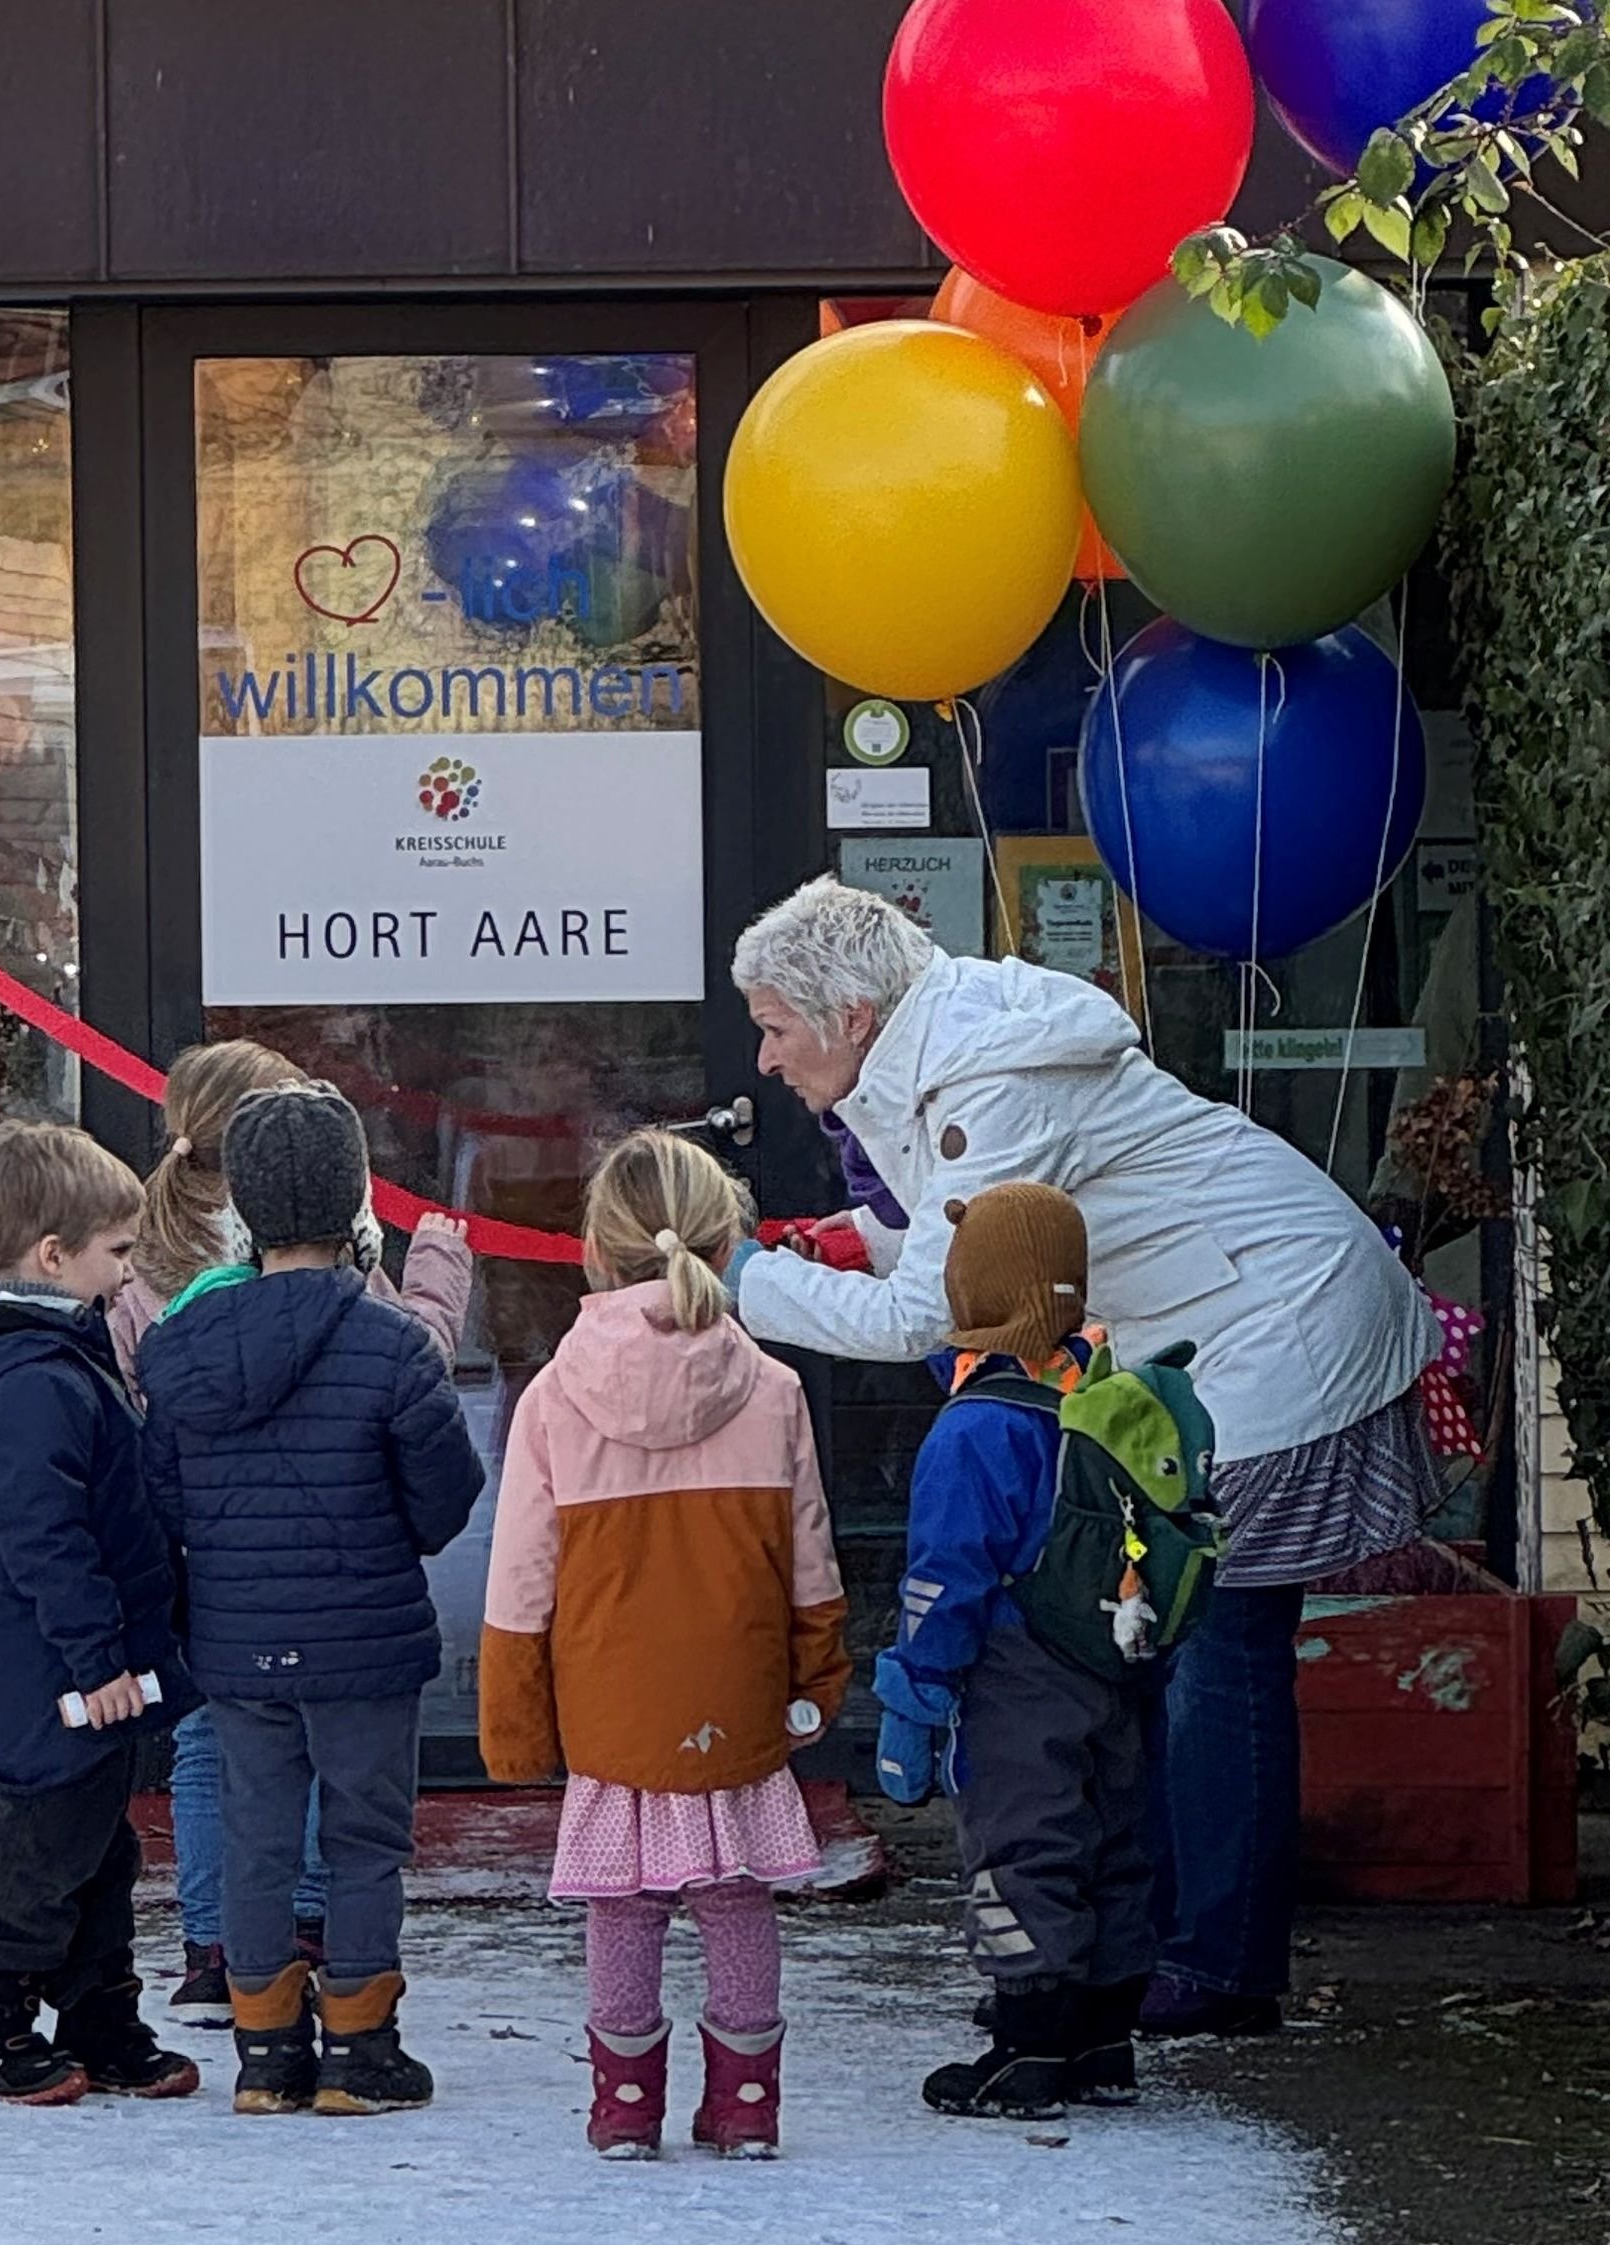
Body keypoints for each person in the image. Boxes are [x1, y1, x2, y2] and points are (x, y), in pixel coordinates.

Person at [727, 878, 1432, 2036]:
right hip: (1239, 1321)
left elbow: (935, 1310)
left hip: (1277, 1332)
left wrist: (745, 1285)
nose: (764, 1058)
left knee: (1218, 1653)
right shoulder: (957, 1039)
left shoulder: (980, 1085)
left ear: (851, 1015)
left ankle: (1219, 1966)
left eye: (774, 1025)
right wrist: (841, 1238)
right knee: (1175, 1648)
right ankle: (1168, 1941)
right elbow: (962, 1223)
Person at [478, 1129, 846, 2161]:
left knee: (623, 1907)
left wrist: (514, 1722)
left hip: (611, 1703)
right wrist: (817, 1673)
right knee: (738, 1901)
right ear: (725, 1242)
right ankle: (747, 2109)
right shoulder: (772, 1389)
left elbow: (520, 1577)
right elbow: (809, 1556)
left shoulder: (553, 1396)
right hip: (734, 1691)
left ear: (595, 1248)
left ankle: (625, 2107)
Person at [139, 1082, 485, 2115]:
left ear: (243, 1206)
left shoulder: (180, 1347)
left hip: (238, 1641)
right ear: (355, 1208)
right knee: (364, 1838)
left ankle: (264, 2051)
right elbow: (444, 1496)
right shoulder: (390, 1346)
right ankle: (360, 2047)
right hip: (365, 1640)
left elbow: (165, 1497)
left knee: (256, 1833)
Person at [0, 1121, 197, 2108]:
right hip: (53, 1671)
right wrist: (98, 1656)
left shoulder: (53, 1358)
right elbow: (46, 1541)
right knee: (45, 1843)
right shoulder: (32, 1386)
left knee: (98, 1841)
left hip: (63, 1662)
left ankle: (99, 2017)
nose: (127, 1274)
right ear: (52, 1255)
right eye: (116, 1253)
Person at [869, 1184, 1177, 2120]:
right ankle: (1101, 2040)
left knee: (1021, 1845)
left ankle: (1027, 2050)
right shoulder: (1110, 1399)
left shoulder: (976, 1428)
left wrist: (915, 1694)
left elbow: (945, 1575)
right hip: (1114, 1661)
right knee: (1113, 1838)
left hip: (1014, 1673)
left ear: (975, 1295)